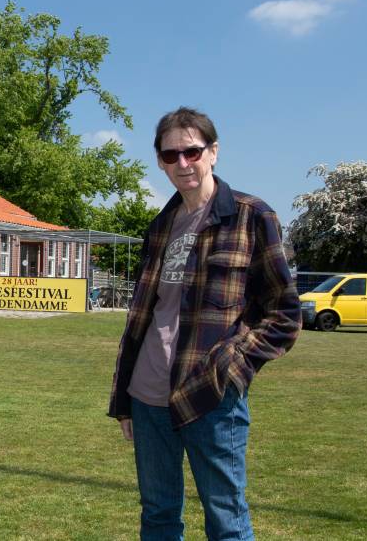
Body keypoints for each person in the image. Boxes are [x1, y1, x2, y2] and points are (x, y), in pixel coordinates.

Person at [108, 107, 300, 540]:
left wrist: (232, 365)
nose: (182, 164)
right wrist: (124, 399)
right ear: (159, 160)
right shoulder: (160, 226)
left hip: (210, 395)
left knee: (225, 518)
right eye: (170, 155)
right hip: (148, 396)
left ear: (213, 152)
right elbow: (142, 317)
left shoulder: (252, 216)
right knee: (157, 515)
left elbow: (285, 313)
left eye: (192, 152)